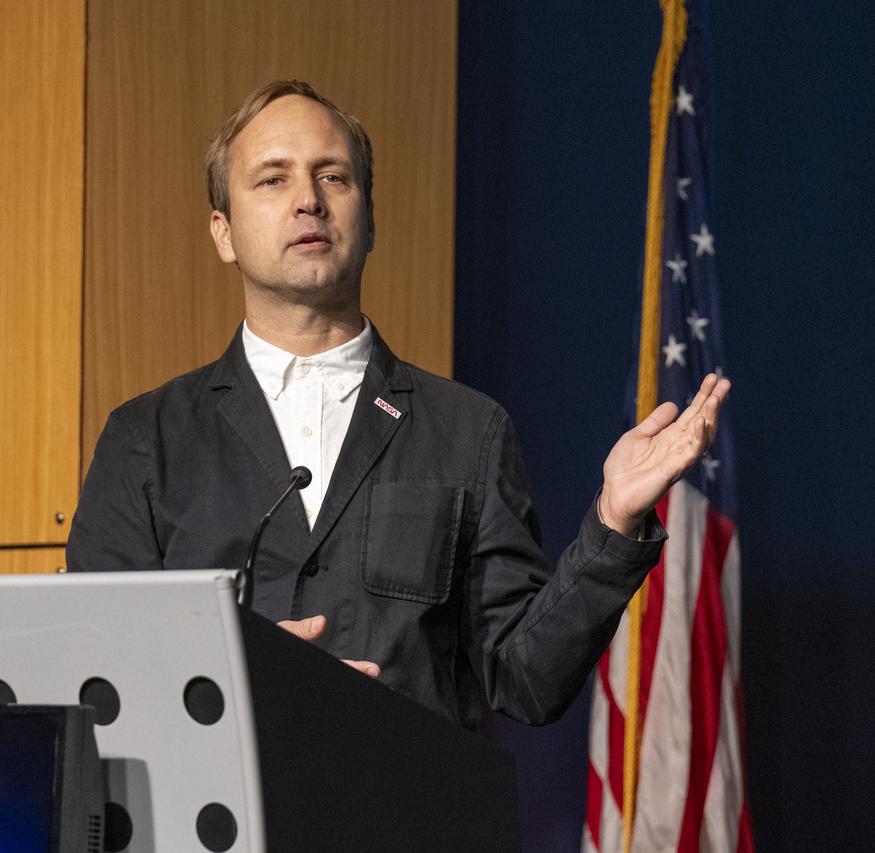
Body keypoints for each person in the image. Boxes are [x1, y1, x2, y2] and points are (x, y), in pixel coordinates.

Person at [66, 80, 729, 730]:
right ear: (224, 232)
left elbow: (526, 678)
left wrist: (614, 521)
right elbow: (94, 672)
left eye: (334, 177)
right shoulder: (143, 439)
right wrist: (239, 676)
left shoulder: (470, 432)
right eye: (273, 179)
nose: (308, 201)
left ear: (370, 216)